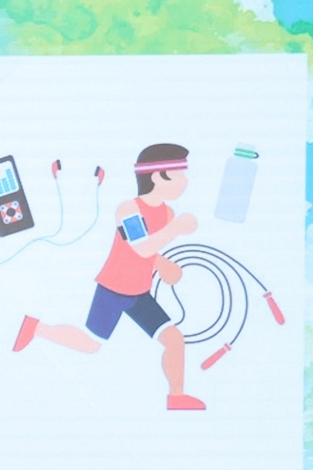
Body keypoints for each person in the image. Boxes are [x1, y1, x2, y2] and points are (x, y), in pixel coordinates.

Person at [15, 144, 205, 411]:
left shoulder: (167, 214)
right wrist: (175, 230)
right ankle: (36, 328)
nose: (185, 182)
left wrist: (163, 264)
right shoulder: (128, 210)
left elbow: (149, 252)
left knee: (174, 339)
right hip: (114, 289)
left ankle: (176, 397)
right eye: (180, 174)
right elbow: (140, 247)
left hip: (140, 291)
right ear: (157, 176)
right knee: (92, 345)